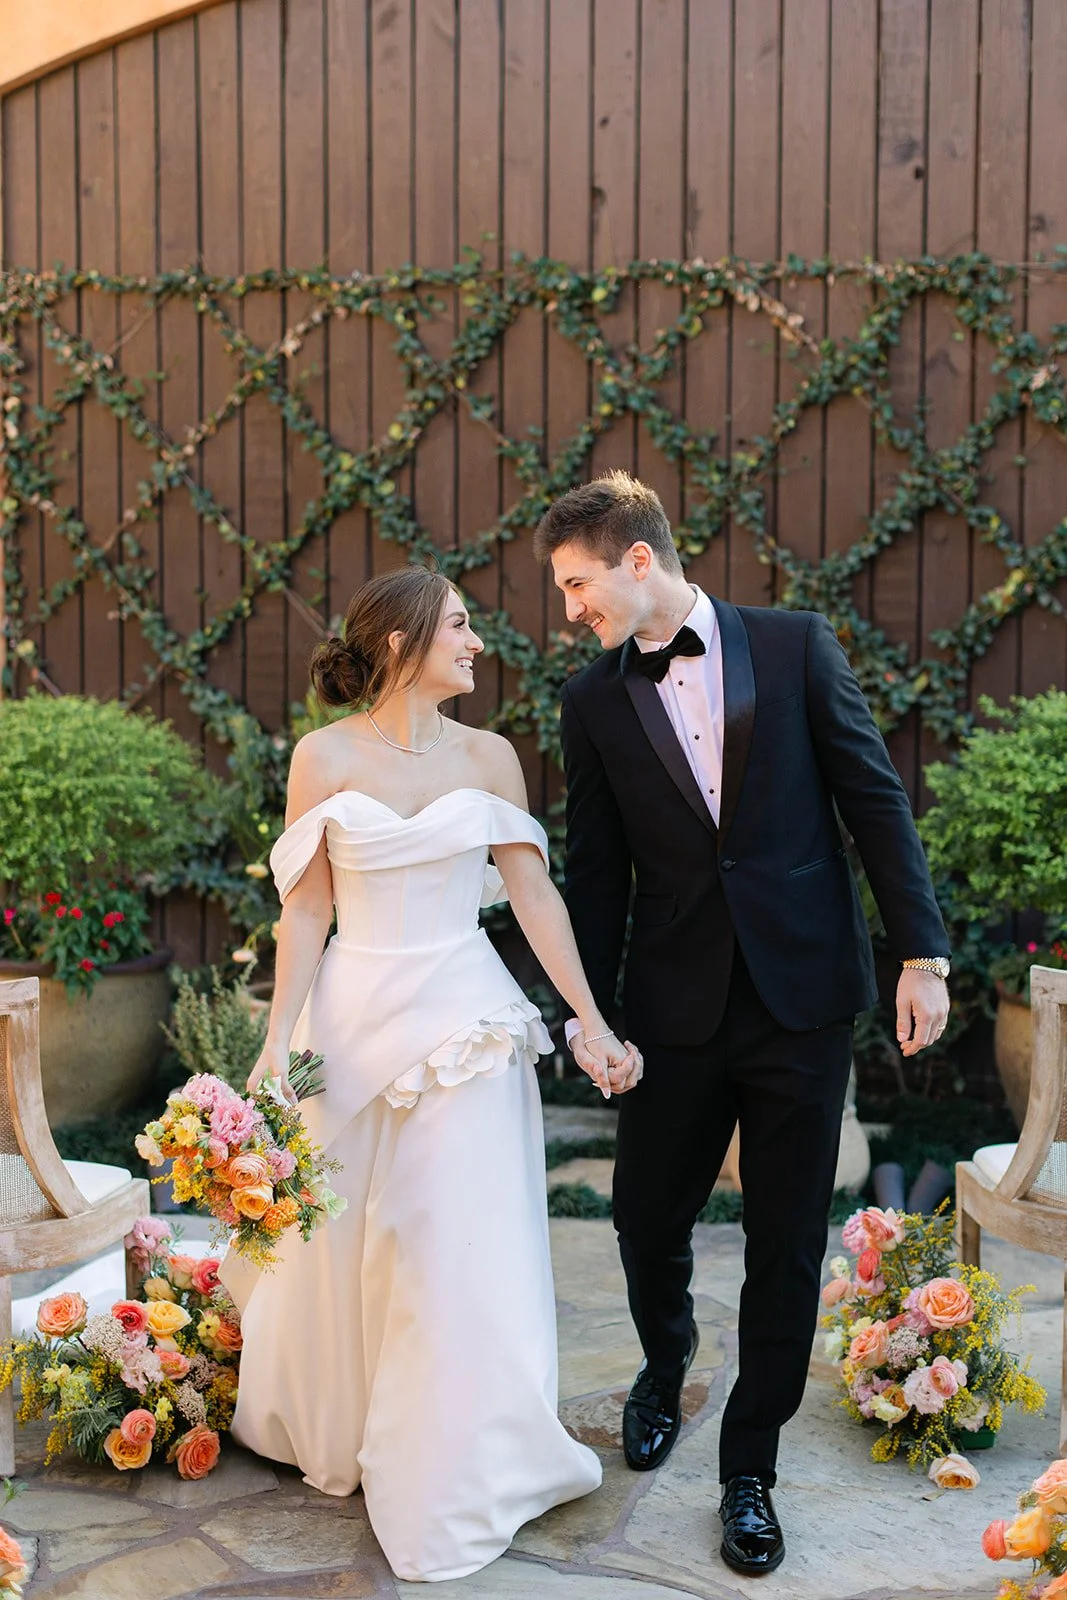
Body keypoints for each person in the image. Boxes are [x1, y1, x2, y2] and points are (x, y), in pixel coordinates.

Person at [534, 471, 951, 1579]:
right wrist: (589, 1015)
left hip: (801, 1001)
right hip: (672, 1011)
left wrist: (922, 954)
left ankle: (748, 1468)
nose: (569, 610)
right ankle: (663, 1363)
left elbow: (872, 799)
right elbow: (594, 876)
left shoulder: (795, 643)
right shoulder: (588, 703)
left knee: (785, 1241)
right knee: (639, 1215)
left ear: (636, 560)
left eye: (577, 585)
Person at [221, 566, 638, 1583]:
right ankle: (354, 1424)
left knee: (447, 1240)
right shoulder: (320, 758)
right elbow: (307, 910)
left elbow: (534, 901)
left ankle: (453, 1467)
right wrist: (276, 1043)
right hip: (353, 1022)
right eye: (458, 625)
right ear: (401, 641)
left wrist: (588, 1018)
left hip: (464, 1022)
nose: (476, 642)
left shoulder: (492, 757)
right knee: (346, 1241)